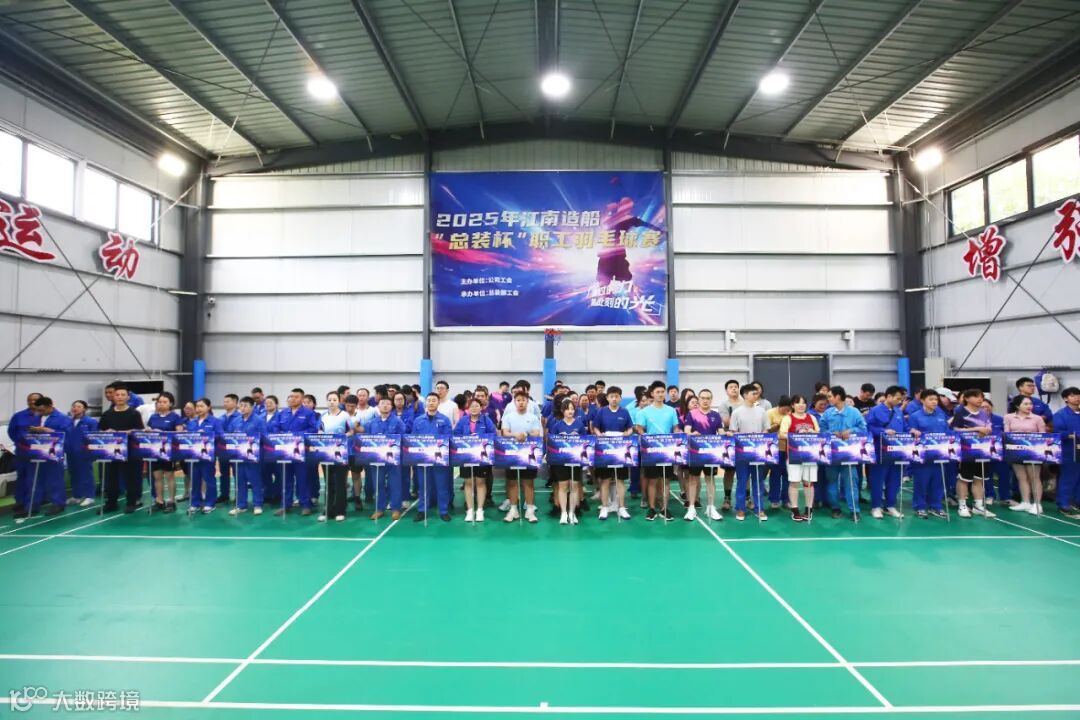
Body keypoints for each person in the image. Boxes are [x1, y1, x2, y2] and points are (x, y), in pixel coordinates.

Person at [820, 386, 868, 520]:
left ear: (838, 396)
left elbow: (863, 428)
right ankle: (835, 508)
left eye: (830, 396)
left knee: (851, 482)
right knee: (832, 482)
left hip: (849, 454)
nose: (828, 399)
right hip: (832, 453)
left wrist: (851, 431)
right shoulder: (827, 413)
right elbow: (822, 430)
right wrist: (831, 433)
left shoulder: (854, 412)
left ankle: (854, 510)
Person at [635, 381, 680, 521]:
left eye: (662, 392)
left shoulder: (671, 411)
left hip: (667, 450)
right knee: (652, 481)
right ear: (652, 394)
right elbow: (639, 428)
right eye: (657, 392)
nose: (660, 394)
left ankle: (665, 508)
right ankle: (652, 508)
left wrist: (677, 437)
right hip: (651, 451)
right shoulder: (644, 412)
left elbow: (675, 428)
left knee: (666, 480)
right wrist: (646, 436)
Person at [949, 388, 998, 518]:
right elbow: (954, 429)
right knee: (964, 478)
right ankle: (962, 505)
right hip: (967, 450)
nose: (980, 399)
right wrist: (976, 429)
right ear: (967, 398)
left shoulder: (984, 413)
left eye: (981, 396)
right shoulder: (961, 412)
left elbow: (989, 427)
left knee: (979, 478)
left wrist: (986, 430)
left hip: (983, 450)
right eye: (976, 396)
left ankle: (978, 506)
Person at [98, 384, 145, 513]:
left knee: (130, 477)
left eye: (123, 395)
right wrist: (106, 432)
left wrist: (122, 432)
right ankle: (111, 503)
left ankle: (131, 502)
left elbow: (138, 430)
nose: (119, 397)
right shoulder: (107, 414)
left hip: (130, 449)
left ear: (128, 397)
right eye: (117, 395)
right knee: (111, 477)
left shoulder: (134, 413)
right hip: (112, 450)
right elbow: (101, 430)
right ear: (113, 397)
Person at [591, 385, 635, 521]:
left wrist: (626, 434)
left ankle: (621, 507)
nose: (614, 399)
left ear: (620, 398)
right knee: (605, 480)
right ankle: (605, 507)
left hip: (621, 450)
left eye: (616, 396)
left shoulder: (625, 412)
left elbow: (630, 429)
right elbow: (595, 427)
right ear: (607, 398)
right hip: (605, 450)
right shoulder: (601, 412)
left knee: (620, 480)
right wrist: (600, 435)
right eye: (611, 396)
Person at [24, 397, 74, 515]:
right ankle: (33, 505)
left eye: (42, 410)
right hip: (36, 450)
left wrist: (49, 430)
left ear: (50, 406)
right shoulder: (36, 417)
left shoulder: (63, 418)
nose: (39, 412)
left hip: (54, 451)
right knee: (34, 479)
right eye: (38, 410)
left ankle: (58, 503)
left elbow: (68, 435)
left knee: (54, 479)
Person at [274, 388, 319, 516]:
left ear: (302, 399)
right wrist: (283, 435)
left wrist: (296, 435)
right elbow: (276, 428)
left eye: (295, 397)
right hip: (285, 450)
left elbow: (313, 429)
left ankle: (306, 505)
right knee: (286, 478)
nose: (292, 399)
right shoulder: (283, 413)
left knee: (302, 478)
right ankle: (286, 505)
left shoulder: (308, 413)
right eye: (290, 396)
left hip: (301, 450)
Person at [907, 389, 951, 519]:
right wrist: (913, 432)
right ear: (922, 400)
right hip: (923, 455)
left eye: (936, 399)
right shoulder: (915, 416)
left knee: (938, 482)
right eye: (931, 399)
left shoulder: (941, 415)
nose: (934, 402)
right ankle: (919, 507)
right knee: (921, 482)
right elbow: (911, 434)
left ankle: (936, 506)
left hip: (940, 454)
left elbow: (947, 432)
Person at [500, 390, 543, 523]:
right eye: (518, 400)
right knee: (512, 482)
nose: (521, 402)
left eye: (523, 400)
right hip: (511, 454)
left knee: (528, 482)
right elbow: (505, 432)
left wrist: (525, 434)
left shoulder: (533, 417)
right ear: (515, 402)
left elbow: (536, 433)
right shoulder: (508, 417)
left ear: (527, 402)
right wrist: (515, 435)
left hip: (529, 454)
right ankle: (513, 509)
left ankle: (530, 509)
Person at [865, 386, 908, 519]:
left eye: (901, 399)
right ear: (889, 396)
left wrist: (911, 431)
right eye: (898, 398)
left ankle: (890, 506)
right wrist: (883, 431)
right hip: (880, 451)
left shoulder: (898, 411)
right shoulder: (875, 410)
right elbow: (868, 428)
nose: (899, 401)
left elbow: (905, 427)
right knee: (877, 480)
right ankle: (876, 506)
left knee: (895, 480)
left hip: (897, 452)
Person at [411, 393, 455, 523]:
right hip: (423, 459)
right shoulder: (418, 420)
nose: (431, 402)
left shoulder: (445, 420)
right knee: (423, 486)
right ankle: (422, 510)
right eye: (429, 400)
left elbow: (448, 437)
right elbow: (413, 439)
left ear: (438, 403)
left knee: (442, 486)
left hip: (439, 459)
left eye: (434, 400)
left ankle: (443, 511)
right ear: (426, 403)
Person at [682, 389, 724, 521]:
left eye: (708, 398)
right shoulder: (692, 414)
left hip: (711, 454)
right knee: (693, 480)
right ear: (699, 399)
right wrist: (692, 434)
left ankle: (711, 508)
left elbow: (721, 432)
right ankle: (691, 508)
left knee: (710, 480)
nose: (705, 400)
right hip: (695, 453)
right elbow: (686, 431)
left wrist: (726, 434)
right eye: (703, 398)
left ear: (711, 400)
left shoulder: (716, 415)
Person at [729, 384, 770, 521]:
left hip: (758, 452)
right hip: (742, 453)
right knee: (742, 480)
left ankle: (760, 509)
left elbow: (766, 429)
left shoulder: (762, 411)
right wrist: (735, 435)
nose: (756, 395)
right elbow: (733, 431)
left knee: (758, 480)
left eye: (757, 393)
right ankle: (740, 509)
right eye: (753, 393)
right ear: (745, 395)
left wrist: (760, 437)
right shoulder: (737, 412)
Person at [454, 397, 497, 523]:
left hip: (482, 456)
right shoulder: (463, 420)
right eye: (472, 406)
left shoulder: (486, 420)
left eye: (477, 406)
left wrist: (479, 438)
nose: (474, 408)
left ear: (481, 408)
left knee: (480, 482)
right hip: (466, 455)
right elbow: (456, 435)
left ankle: (480, 510)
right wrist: (466, 439)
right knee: (468, 483)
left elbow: (493, 434)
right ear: (468, 408)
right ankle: (469, 510)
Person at [366, 395, 408, 521]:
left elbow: (403, 439)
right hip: (377, 459)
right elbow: (367, 440)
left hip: (393, 458)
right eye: (382, 403)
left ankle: (396, 509)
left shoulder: (398, 422)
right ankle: (380, 509)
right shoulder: (372, 423)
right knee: (378, 483)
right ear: (378, 406)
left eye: (387, 403)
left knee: (395, 483)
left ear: (391, 406)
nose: (385, 405)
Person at [1004, 395, 1048, 515]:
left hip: (1033, 451)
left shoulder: (1037, 419)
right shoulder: (1008, 417)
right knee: (1021, 477)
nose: (1029, 406)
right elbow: (1007, 433)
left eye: (1030, 404)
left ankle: (1037, 504)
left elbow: (1043, 436)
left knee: (1034, 477)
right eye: (1026, 404)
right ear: (1017, 406)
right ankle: (1025, 502)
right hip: (1016, 451)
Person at [779, 394, 819, 522]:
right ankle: (795, 509)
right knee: (794, 482)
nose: (801, 405)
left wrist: (813, 432)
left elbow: (819, 433)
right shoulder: (788, 418)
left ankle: (809, 509)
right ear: (792, 405)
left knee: (809, 482)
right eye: (798, 403)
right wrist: (797, 435)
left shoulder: (811, 417)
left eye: (803, 403)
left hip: (810, 455)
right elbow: (782, 434)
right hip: (793, 455)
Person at [549, 397, 587, 525]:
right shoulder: (557, 425)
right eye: (567, 409)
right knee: (563, 486)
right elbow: (553, 444)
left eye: (572, 409)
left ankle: (572, 512)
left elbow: (585, 442)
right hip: (561, 461)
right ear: (562, 411)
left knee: (574, 486)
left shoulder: (579, 425)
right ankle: (564, 513)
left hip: (576, 460)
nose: (570, 411)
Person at [228, 396, 268, 516]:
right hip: (238, 456)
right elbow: (230, 436)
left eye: (245, 405)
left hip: (253, 457)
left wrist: (252, 441)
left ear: (252, 407)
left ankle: (257, 504)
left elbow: (264, 437)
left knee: (255, 481)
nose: (242, 408)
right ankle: (241, 505)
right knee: (239, 481)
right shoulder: (235, 421)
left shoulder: (259, 420)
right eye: (241, 405)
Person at [317, 391, 351, 522]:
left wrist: (341, 438)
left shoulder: (344, 415)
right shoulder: (323, 416)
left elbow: (351, 431)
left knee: (340, 483)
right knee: (328, 483)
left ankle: (340, 511)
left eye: (334, 400)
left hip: (340, 453)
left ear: (339, 401)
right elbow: (320, 430)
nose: (332, 402)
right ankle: (328, 510)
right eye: (329, 399)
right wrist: (321, 436)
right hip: (326, 453)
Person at [147, 392, 183, 513]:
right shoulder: (153, 417)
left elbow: (179, 434)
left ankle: (172, 502)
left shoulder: (175, 417)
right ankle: (160, 501)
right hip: (155, 451)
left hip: (169, 452)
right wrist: (148, 431)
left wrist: (161, 432)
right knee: (157, 477)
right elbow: (149, 430)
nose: (161, 404)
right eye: (159, 402)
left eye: (164, 402)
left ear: (171, 404)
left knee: (169, 476)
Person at [7, 392, 42, 519]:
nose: (32, 402)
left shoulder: (44, 416)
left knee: (33, 479)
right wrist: (19, 442)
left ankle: (31, 505)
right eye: (29, 400)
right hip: (21, 451)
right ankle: (20, 502)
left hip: (38, 452)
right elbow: (11, 431)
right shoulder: (18, 416)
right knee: (21, 477)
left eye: (35, 400)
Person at [185, 398, 222, 514]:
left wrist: (207, 435)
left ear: (209, 407)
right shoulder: (192, 422)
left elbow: (221, 436)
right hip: (194, 456)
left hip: (208, 456)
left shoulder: (215, 421)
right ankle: (195, 503)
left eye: (202, 406)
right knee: (195, 480)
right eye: (197, 406)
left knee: (209, 479)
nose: (199, 409)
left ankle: (210, 503)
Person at [1052, 387, 1080, 518]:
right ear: (1065, 399)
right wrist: (1071, 435)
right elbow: (1058, 433)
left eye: (1078, 395)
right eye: (1073, 395)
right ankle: (1063, 504)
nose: (1077, 398)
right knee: (1068, 478)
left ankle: (1077, 502)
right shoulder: (1060, 414)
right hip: (1069, 451)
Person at [66, 400, 99, 507]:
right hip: (70, 452)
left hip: (84, 453)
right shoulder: (68, 422)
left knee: (86, 474)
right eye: (74, 406)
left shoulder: (90, 422)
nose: (75, 408)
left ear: (84, 409)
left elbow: (94, 437)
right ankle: (77, 496)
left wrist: (91, 451)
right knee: (74, 473)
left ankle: (90, 496)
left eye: (79, 406)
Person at [765, 396, 793, 509]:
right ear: (779, 406)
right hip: (775, 449)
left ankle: (786, 499)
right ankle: (774, 499)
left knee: (788, 475)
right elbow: (765, 430)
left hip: (789, 448)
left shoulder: (791, 414)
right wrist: (777, 425)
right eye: (785, 409)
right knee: (775, 474)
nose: (787, 411)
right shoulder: (770, 413)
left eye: (789, 409)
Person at [217, 393, 242, 504]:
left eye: (227, 401)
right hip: (223, 450)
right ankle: (224, 494)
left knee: (238, 473)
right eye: (224, 401)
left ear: (235, 403)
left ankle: (239, 495)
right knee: (223, 473)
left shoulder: (240, 417)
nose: (225, 403)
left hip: (236, 451)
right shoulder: (220, 418)